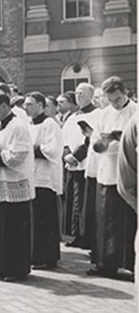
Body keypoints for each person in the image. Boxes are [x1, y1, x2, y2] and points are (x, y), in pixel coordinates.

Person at [0, 91, 35, 282]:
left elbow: (18, 157)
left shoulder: (18, 126)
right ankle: (0, 265)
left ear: (4, 106)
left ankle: (16, 269)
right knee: (0, 228)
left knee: (14, 230)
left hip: (14, 185)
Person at [88, 76, 137, 278]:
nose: (115, 104)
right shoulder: (104, 113)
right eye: (110, 100)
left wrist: (116, 140)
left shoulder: (135, 112)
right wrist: (101, 142)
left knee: (128, 221)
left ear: (125, 93)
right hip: (107, 170)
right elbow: (95, 139)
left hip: (126, 171)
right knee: (106, 220)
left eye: (117, 99)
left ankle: (131, 265)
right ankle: (106, 264)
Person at [25, 92, 63, 269]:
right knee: (34, 219)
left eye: (30, 104)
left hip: (44, 177)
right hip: (31, 176)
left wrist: (31, 149)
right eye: (26, 104)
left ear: (41, 105)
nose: (26, 107)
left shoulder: (49, 124)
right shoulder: (28, 124)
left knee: (45, 218)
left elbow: (54, 150)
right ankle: (35, 255)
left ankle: (48, 257)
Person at [62, 83, 100, 248]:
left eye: (82, 93)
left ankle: (86, 236)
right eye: (76, 93)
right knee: (73, 201)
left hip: (86, 164)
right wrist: (67, 156)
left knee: (84, 202)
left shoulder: (97, 114)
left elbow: (91, 139)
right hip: (72, 164)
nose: (78, 96)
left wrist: (76, 156)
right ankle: (75, 235)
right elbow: (65, 140)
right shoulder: (72, 116)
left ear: (90, 95)